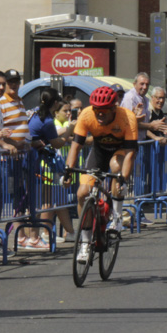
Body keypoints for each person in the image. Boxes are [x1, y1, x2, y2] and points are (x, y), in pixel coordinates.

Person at [63, 86, 138, 262]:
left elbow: (130, 154)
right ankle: (85, 244)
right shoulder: (87, 115)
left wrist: (123, 179)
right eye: (97, 111)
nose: (100, 115)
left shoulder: (127, 118)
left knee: (115, 167)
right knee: (82, 192)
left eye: (104, 111)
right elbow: (76, 146)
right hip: (98, 152)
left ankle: (117, 217)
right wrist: (68, 170)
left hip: (121, 153)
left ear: (114, 108)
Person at [27, 88, 75, 248]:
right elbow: (57, 143)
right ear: (55, 104)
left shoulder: (36, 112)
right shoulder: (47, 120)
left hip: (33, 157)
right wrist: (70, 130)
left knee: (40, 200)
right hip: (34, 160)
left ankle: (31, 236)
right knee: (38, 201)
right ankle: (36, 236)